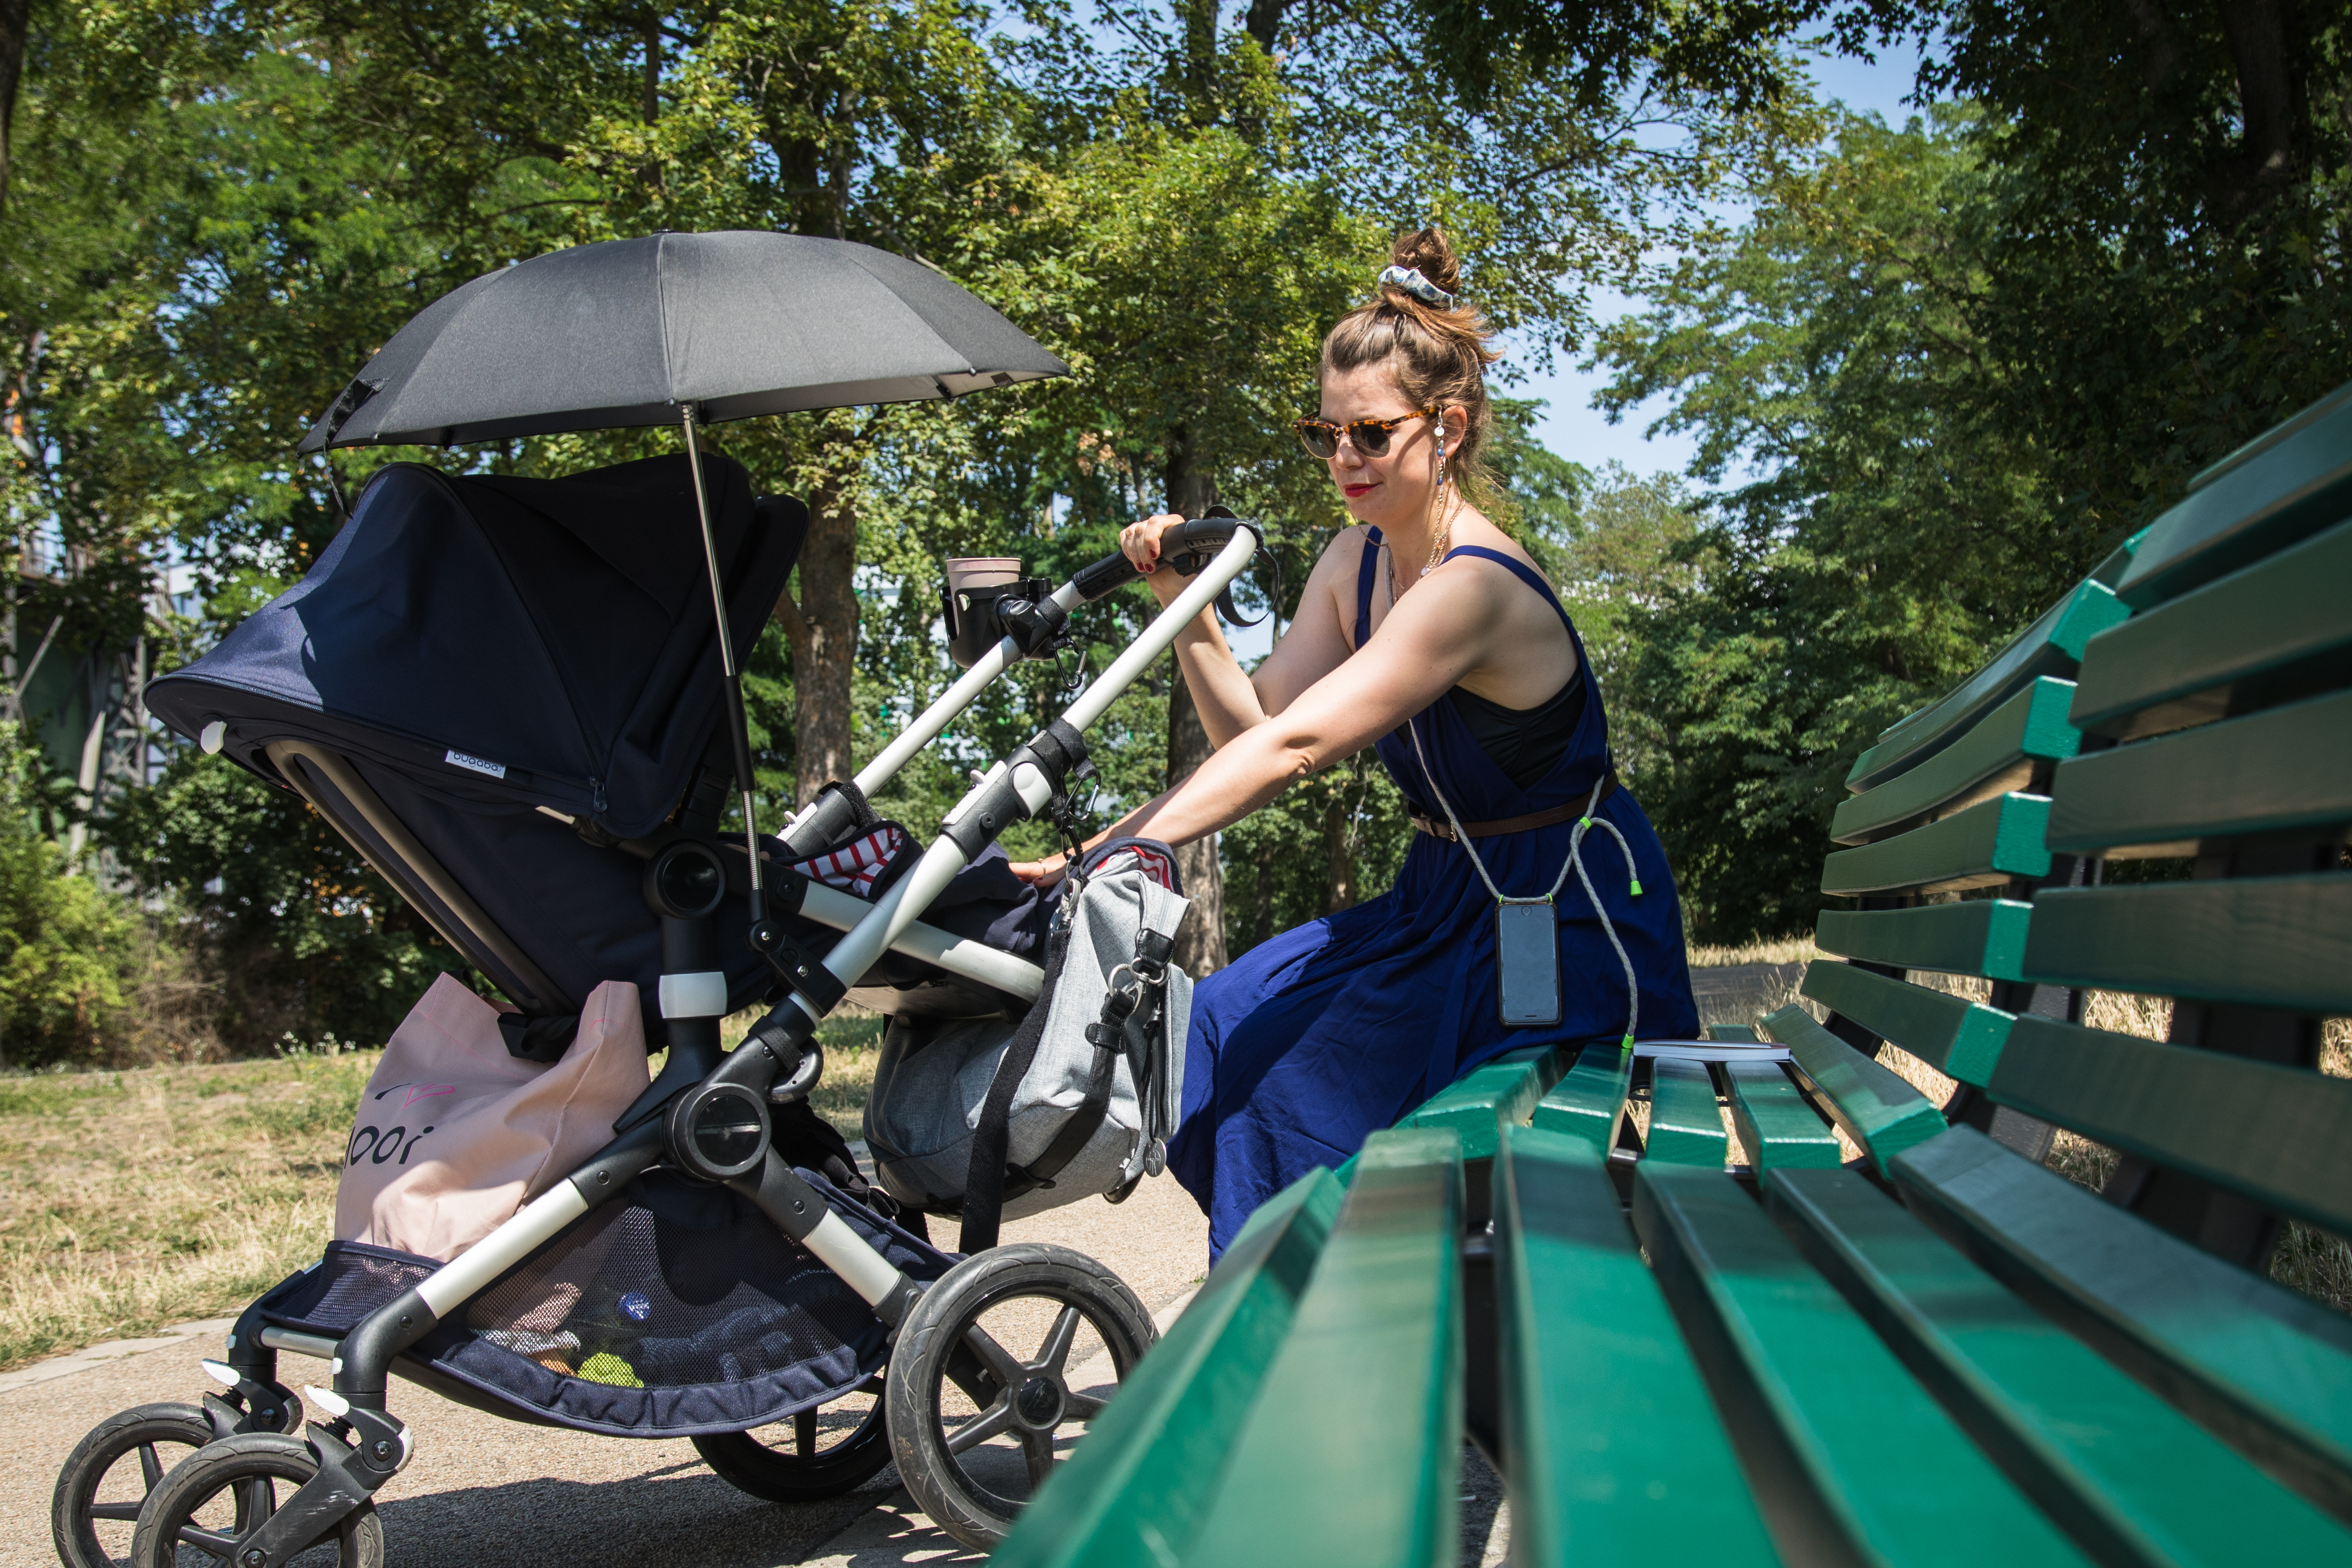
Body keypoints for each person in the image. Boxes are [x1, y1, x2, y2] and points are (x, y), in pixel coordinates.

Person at [1011, 227, 1699, 1258]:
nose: (1343, 458)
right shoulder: (1354, 561)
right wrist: (1183, 606)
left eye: (1371, 434)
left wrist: (1103, 855)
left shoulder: (1470, 587)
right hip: (1442, 901)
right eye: (1323, 432)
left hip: (1559, 918)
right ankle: (1318, 1305)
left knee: (1303, 1081)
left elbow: (1295, 747)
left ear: (1447, 427)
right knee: (1225, 1022)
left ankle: (1331, 1315)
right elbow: (1252, 727)